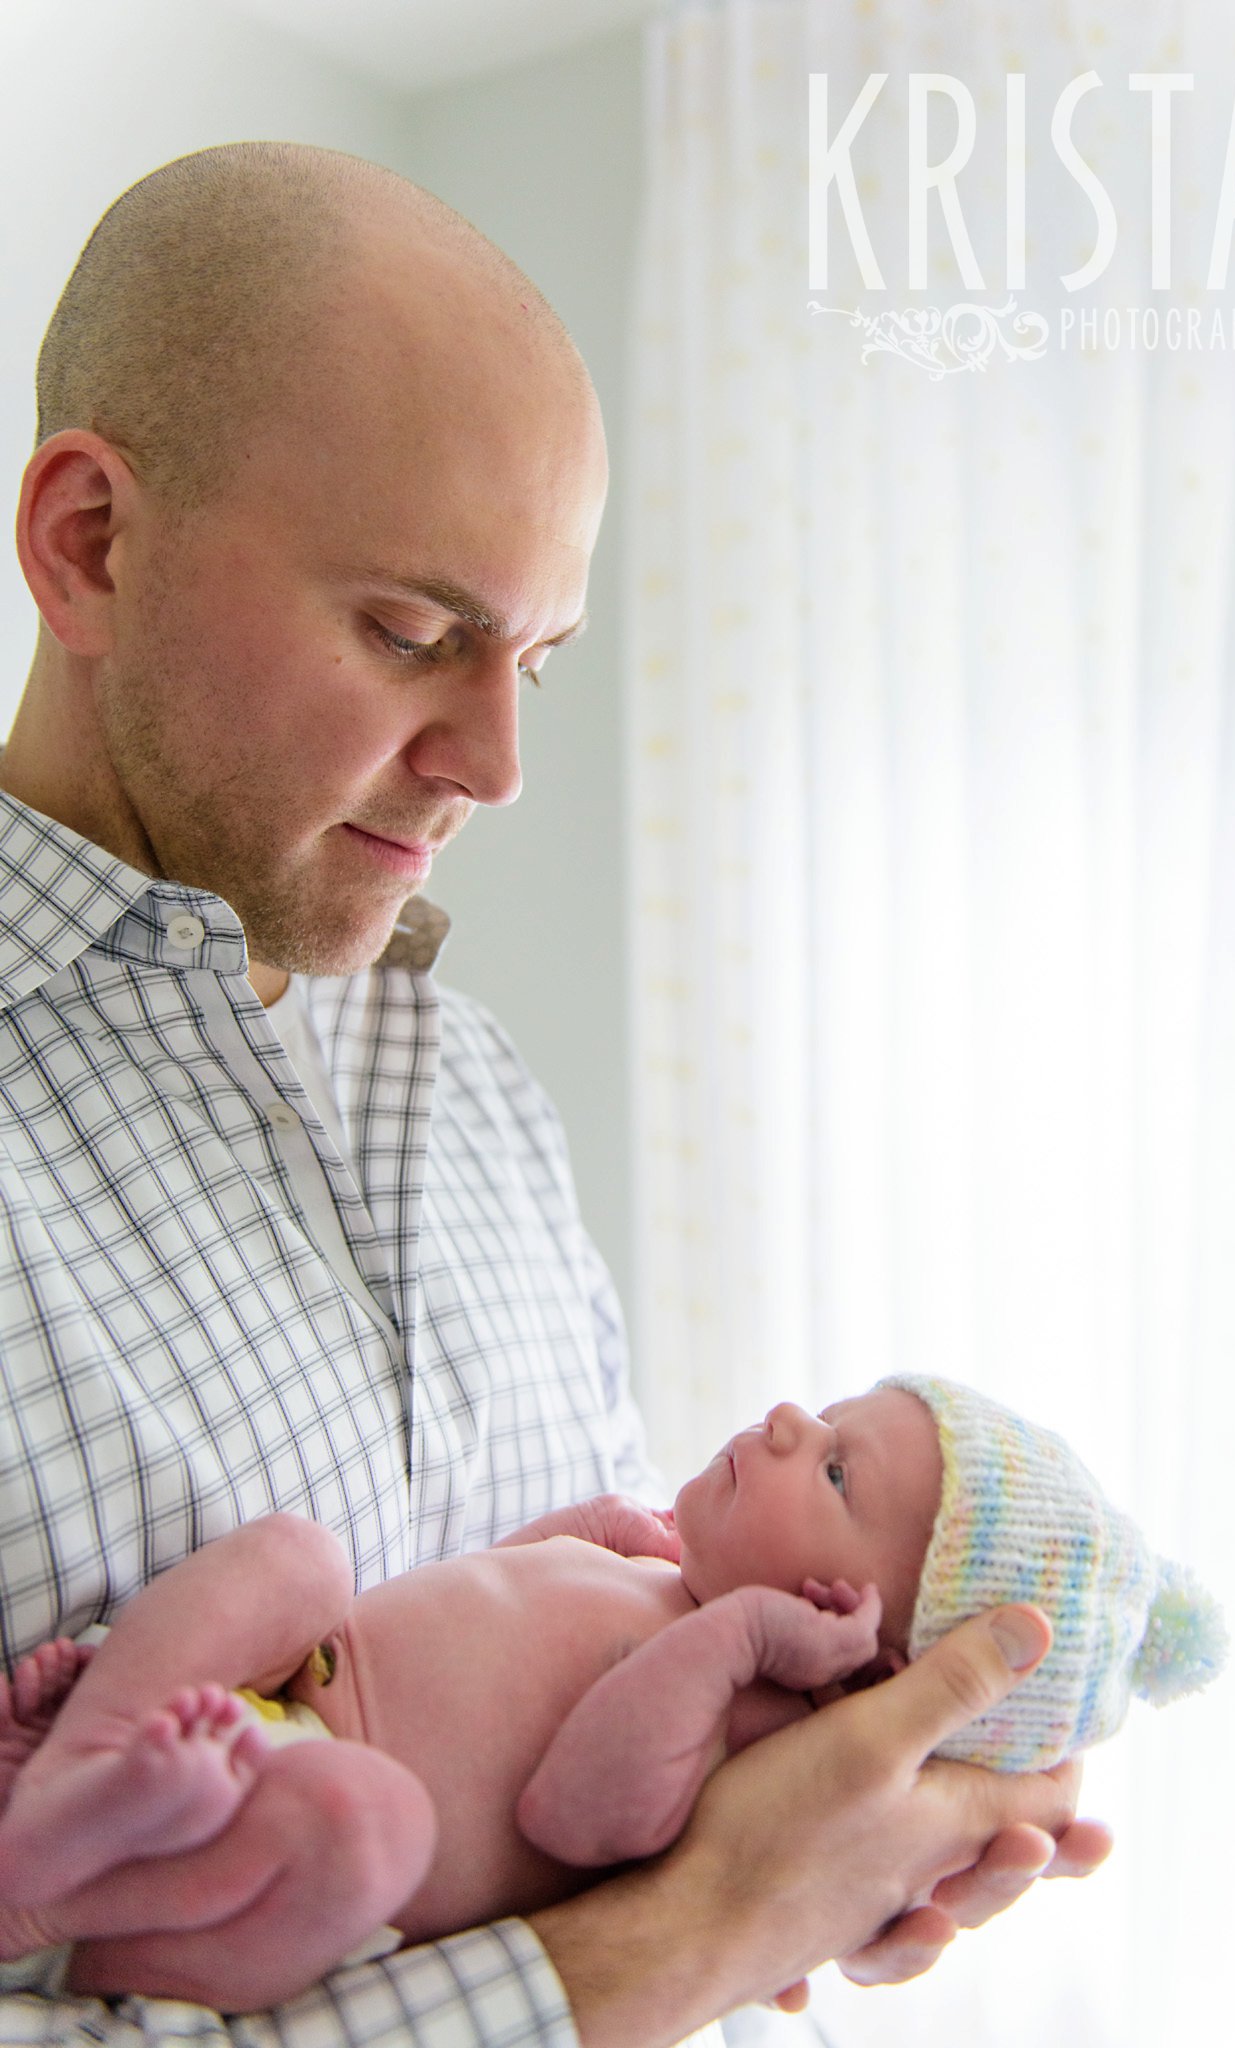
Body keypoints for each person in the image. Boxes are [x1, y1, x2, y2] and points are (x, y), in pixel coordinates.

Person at [0, 140, 1112, 2045]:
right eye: (415, 633)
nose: (498, 762)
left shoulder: (476, 1098)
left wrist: (790, 1858)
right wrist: (660, 1950)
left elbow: (560, 1775)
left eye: (540, 657)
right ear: (91, 540)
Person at [2, 1377, 1216, 2013]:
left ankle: (81, 1877)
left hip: (284, 1855)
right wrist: (574, 1538)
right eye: (827, 1411)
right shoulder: (650, 1566)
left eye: (837, 1469)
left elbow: (577, 1814)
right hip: (277, 1696)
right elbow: (469, 1602)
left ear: (864, 1655)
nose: (788, 1417)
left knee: (374, 1824)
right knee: (297, 1558)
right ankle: (79, 1774)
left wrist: (740, 1632)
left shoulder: (747, 1730)